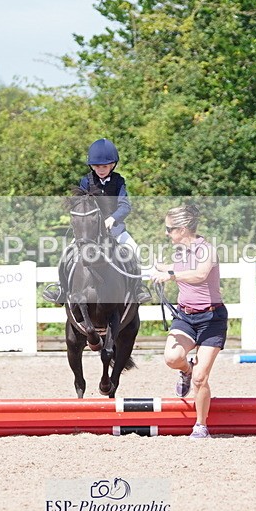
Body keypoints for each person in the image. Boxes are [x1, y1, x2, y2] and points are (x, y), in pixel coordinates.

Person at [149, 204, 227, 439]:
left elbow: (199, 274)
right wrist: (155, 269)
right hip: (185, 316)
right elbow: (172, 267)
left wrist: (170, 275)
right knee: (172, 358)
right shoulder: (179, 252)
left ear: (182, 229)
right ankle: (185, 371)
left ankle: (201, 425)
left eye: (169, 229)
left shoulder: (207, 250)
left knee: (201, 378)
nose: (167, 233)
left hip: (211, 319)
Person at [43, 138, 152, 304]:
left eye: (105, 166)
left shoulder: (118, 181)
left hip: (115, 230)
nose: (101, 170)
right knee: (66, 254)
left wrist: (112, 219)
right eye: (97, 166)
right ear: (92, 166)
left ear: (113, 165)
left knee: (135, 251)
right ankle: (61, 288)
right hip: (90, 232)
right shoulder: (86, 181)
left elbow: (125, 206)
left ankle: (138, 289)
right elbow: (82, 205)